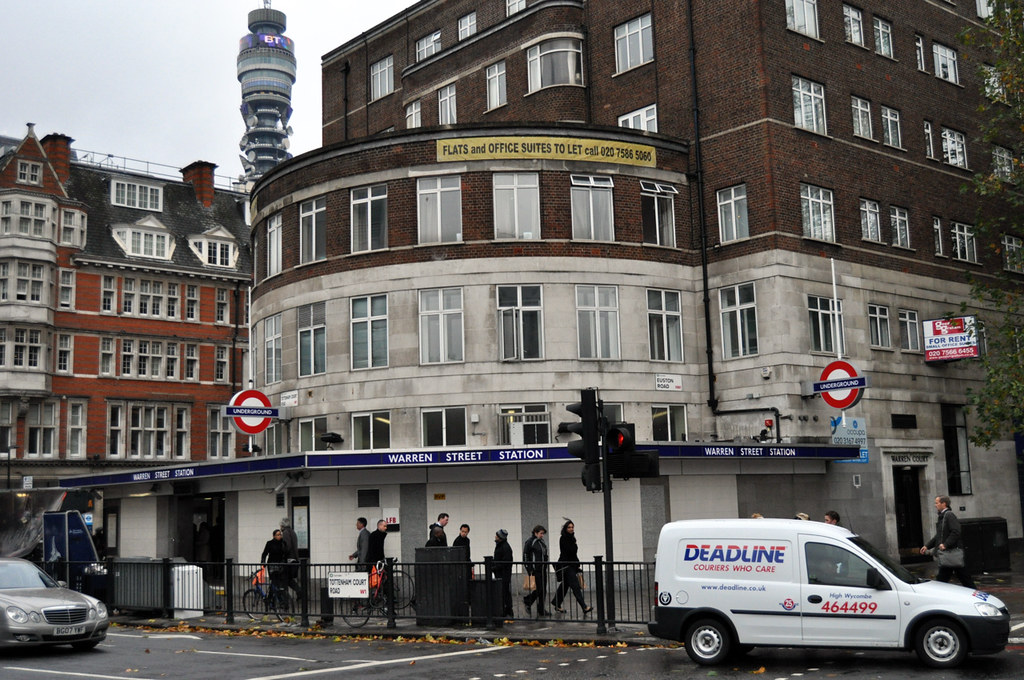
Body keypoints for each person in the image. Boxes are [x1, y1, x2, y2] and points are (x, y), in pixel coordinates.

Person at [920, 495, 975, 588]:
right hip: (949, 555)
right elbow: (939, 535)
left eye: (937, 503)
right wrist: (927, 546)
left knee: (947, 579)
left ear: (944, 504)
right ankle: (974, 592)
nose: (935, 505)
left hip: (951, 553)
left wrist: (945, 544)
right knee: (962, 578)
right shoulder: (942, 516)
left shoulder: (949, 515)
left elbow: (956, 531)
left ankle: (974, 594)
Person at [551, 519, 591, 614]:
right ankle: (584, 607)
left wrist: (577, 565)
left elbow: (573, 553)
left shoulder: (572, 538)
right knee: (575, 586)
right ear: (565, 528)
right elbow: (570, 552)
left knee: (565, 586)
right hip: (566, 566)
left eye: (572, 527)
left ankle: (556, 603)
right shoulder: (564, 538)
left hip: (571, 565)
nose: (571, 529)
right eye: (569, 527)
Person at [522, 524, 549, 617]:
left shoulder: (541, 542)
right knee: (539, 589)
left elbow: (545, 555)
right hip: (535, 570)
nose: (542, 535)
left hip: (542, 569)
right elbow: (526, 556)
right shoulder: (530, 542)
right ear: (535, 533)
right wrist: (530, 569)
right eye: (541, 533)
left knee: (543, 590)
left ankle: (541, 609)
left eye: (543, 534)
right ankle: (527, 601)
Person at [491, 529, 514, 618]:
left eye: (497, 535)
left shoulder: (504, 547)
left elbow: (505, 562)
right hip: (501, 572)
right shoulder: (501, 545)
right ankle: (506, 611)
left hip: (503, 573)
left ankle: (507, 611)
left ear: (500, 537)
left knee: (504, 592)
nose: (495, 537)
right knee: (504, 592)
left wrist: (495, 567)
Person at [260, 529, 290, 595]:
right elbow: (264, 553)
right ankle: (271, 598)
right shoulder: (270, 543)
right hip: (272, 564)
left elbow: (286, 553)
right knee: (274, 582)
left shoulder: (283, 543)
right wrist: (263, 562)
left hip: (281, 564)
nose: (279, 536)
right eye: (278, 535)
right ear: (274, 536)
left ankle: (282, 599)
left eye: (280, 534)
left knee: (281, 583)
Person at [279, 517, 303, 598]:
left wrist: (282, 553)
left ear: (282, 525)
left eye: (280, 525)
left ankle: (285, 598)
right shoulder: (293, 532)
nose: (280, 527)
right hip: (294, 560)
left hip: (289, 560)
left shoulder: (285, 533)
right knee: (288, 579)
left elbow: (287, 546)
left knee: (283, 579)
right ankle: (299, 591)